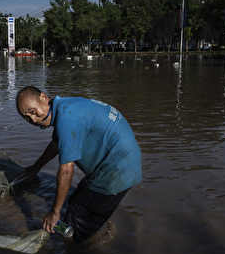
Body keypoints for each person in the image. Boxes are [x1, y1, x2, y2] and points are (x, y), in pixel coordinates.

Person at [15, 86, 142, 243]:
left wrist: (54, 213)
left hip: (118, 170)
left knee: (73, 231)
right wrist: (36, 168)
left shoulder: (67, 120)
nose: (33, 120)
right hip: (120, 161)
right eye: (27, 117)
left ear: (44, 98)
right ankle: (98, 229)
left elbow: (67, 171)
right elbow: (56, 144)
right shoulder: (64, 106)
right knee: (74, 201)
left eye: (32, 112)